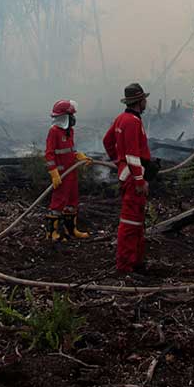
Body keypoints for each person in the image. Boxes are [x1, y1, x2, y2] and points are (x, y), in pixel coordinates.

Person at [103, 83, 153, 274]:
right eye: (144, 99)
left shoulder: (121, 118)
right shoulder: (132, 121)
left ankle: (136, 261)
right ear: (139, 101)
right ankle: (125, 266)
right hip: (133, 179)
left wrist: (118, 161)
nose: (146, 102)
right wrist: (140, 181)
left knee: (137, 221)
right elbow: (133, 155)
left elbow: (107, 141)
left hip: (129, 174)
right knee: (131, 222)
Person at [44, 99, 92, 241]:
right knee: (58, 203)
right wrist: (54, 173)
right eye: (71, 116)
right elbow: (49, 154)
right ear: (64, 117)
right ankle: (51, 234)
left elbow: (69, 150)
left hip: (71, 172)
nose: (73, 119)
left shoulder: (69, 131)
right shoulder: (54, 132)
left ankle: (71, 230)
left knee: (72, 202)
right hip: (61, 175)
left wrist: (79, 156)